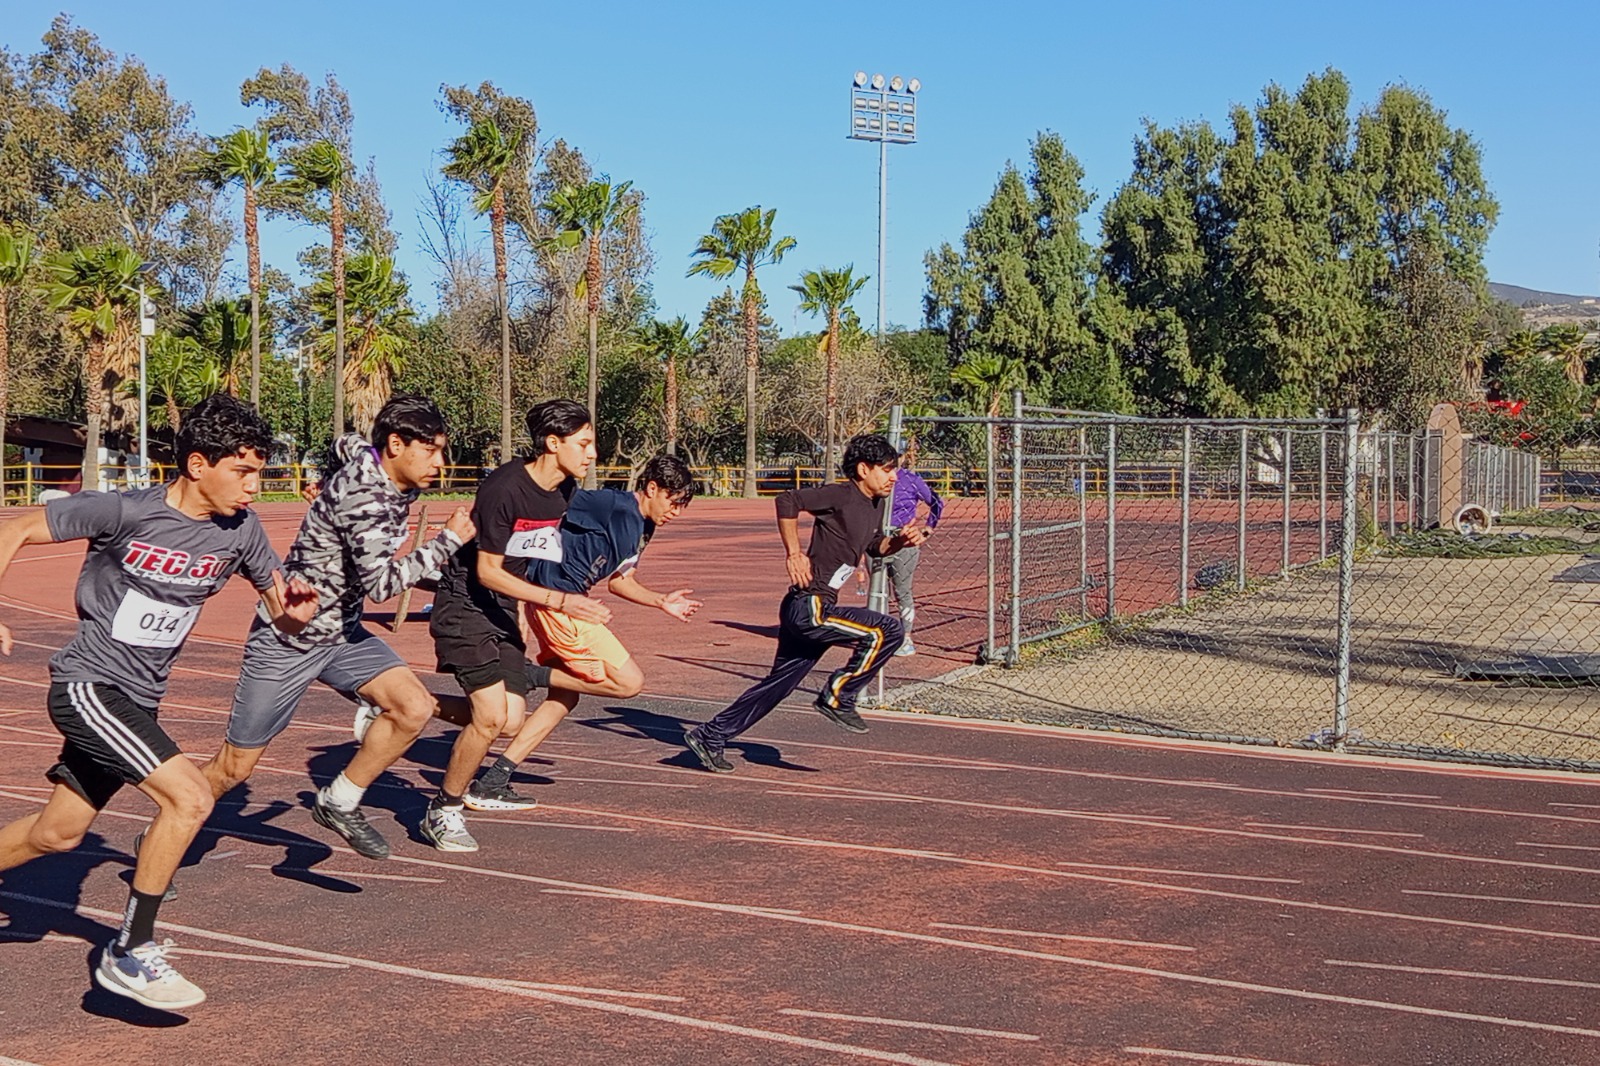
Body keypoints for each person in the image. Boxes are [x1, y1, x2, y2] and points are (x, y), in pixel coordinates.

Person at [0, 395, 316, 1010]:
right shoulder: (124, 510)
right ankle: (130, 950)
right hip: (89, 686)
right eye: (242, 472)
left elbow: (281, 611)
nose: (254, 486)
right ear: (198, 465)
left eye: (258, 472)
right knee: (190, 797)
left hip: (140, 701)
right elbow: (15, 528)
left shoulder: (243, 531)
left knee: (57, 834)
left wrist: (294, 616)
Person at [202, 395, 475, 862]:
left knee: (412, 706)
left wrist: (324, 484)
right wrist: (447, 541)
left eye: (442, 451)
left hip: (342, 636)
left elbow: (341, 443)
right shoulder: (366, 499)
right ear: (396, 445)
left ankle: (339, 801)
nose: (440, 463)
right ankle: (165, 837)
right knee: (234, 768)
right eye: (430, 451)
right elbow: (382, 586)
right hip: (289, 638)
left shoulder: (365, 454)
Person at [422, 400, 611, 851]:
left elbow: (525, 557)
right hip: (465, 602)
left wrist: (522, 614)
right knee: (489, 717)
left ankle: (404, 703)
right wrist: (560, 601)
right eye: (584, 443)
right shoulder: (504, 488)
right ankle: (443, 810)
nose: (592, 454)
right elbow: (488, 571)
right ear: (553, 443)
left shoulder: (564, 490)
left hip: (503, 606)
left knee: (509, 720)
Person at [464, 455, 700, 808]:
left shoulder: (644, 528)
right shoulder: (611, 504)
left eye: (682, 506)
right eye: (673, 501)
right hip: (559, 604)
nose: (676, 512)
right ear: (652, 488)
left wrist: (661, 601)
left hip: (568, 605)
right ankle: (532, 675)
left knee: (566, 696)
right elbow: (555, 497)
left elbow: (621, 581)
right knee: (629, 683)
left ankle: (494, 779)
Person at [684, 434, 928, 773]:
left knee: (779, 685)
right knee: (887, 630)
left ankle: (710, 736)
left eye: (895, 470)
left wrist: (900, 541)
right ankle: (838, 696)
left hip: (810, 607)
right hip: (809, 607)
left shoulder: (873, 505)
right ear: (863, 469)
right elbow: (787, 500)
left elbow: (875, 546)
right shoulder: (841, 494)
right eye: (887, 470)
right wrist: (794, 553)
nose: (894, 477)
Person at [874, 439, 943, 656]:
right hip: (877, 537)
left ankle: (905, 637)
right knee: (878, 590)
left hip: (903, 539)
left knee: (902, 590)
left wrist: (927, 529)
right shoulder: (874, 478)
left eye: (897, 456)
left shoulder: (911, 480)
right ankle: (880, 636)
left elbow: (936, 502)